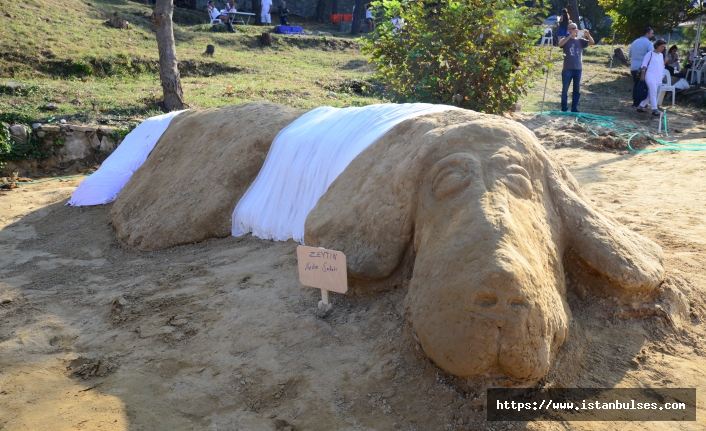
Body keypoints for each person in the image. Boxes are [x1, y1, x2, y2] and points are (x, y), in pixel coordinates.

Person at [557, 23, 594, 112]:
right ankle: (564, 108)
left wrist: (588, 35)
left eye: (575, 28)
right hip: (567, 68)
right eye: (572, 28)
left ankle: (574, 108)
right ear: (568, 30)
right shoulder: (565, 39)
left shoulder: (580, 40)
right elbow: (559, 45)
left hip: (578, 68)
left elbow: (592, 42)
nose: (574, 30)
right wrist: (570, 36)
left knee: (576, 90)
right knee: (565, 89)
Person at [636, 39, 667, 116]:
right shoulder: (650, 54)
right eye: (661, 46)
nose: (662, 48)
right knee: (654, 92)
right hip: (650, 75)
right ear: (657, 46)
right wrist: (642, 74)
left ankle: (640, 106)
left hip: (658, 76)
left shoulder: (661, 55)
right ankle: (654, 109)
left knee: (651, 93)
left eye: (664, 47)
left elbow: (660, 66)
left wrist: (665, 62)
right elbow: (644, 64)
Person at [628, 27, 654, 107]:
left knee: (636, 85)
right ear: (647, 33)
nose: (652, 35)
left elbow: (629, 55)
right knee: (642, 86)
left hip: (633, 67)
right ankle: (641, 104)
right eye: (651, 33)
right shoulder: (649, 43)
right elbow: (652, 55)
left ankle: (635, 103)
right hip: (643, 68)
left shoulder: (634, 42)